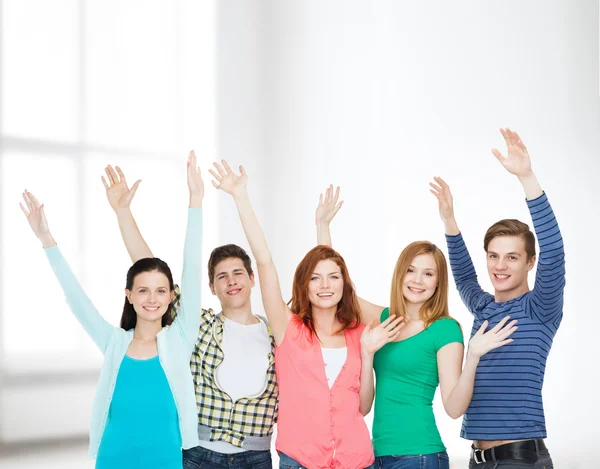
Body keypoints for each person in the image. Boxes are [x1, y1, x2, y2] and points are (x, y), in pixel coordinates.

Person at [209, 161, 402, 469]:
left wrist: (367, 354)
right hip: (300, 461)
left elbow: (363, 407)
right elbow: (264, 261)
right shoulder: (289, 329)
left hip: (357, 461)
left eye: (334, 278)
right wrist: (240, 196)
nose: (325, 285)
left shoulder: (359, 334)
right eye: (314, 278)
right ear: (304, 285)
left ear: (344, 283)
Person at [20, 151, 204, 468]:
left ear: (171, 296)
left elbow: (192, 266)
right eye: (143, 290)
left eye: (161, 291)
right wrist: (46, 238)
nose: (152, 298)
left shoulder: (180, 338)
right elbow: (76, 299)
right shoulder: (115, 342)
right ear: (129, 296)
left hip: (165, 459)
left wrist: (195, 201)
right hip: (113, 458)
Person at [317, 185, 517, 469]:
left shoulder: (444, 329)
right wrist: (323, 227)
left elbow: (453, 407)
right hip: (377, 455)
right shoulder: (384, 319)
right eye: (411, 270)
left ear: (438, 282)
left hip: (420, 455)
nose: (417, 280)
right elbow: (337, 291)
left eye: (428, 273)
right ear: (400, 274)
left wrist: (472, 357)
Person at [101, 163, 277, 469]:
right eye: (222, 276)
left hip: (256, 456)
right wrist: (123, 213)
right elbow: (149, 268)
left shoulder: (276, 333)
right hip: (199, 455)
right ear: (211, 287)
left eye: (238, 273)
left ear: (251, 278)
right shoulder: (198, 324)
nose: (231, 281)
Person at [430, 128, 565, 468]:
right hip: (478, 459)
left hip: (519, 459)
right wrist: (449, 220)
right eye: (493, 256)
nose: (500, 266)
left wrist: (527, 178)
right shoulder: (483, 307)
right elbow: (462, 274)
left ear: (530, 262)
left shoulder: (540, 307)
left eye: (512, 257)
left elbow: (555, 250)